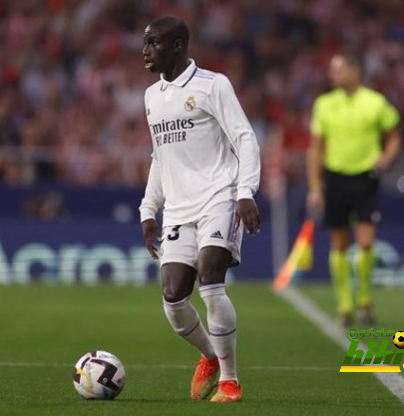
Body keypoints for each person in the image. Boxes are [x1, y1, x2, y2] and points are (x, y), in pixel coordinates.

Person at [139, 16, 261, 403]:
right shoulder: (151, 97)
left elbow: (244, 138)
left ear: (177, 46)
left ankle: (230, 381)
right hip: (177, 208)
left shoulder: (213, 85)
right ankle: (210, 356)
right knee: (174, 297)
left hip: (219, 196)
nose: (145, 51)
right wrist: (148, 209)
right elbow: (160, 157)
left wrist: (245, 192)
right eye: (145, 43)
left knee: (210, 278)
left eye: (154, 43)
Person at [307, 52, 402, 326]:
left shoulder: (375, 102)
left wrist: (386, 157)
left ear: (355, 70)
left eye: (338, 69)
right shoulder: (324, 104)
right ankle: (345, 305)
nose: (333, 75)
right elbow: (316, 148)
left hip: (365, 178)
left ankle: (365, 299)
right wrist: (314, 185)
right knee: (339, 242)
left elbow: (395, 136)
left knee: (366, 241)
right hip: (335, 177)